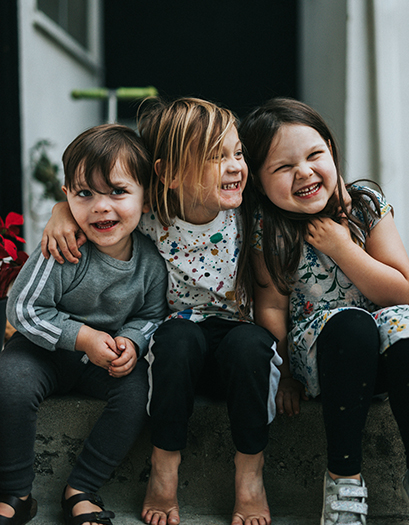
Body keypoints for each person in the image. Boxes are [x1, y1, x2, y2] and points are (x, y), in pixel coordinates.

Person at [40, 97, 282, 525]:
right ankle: (164, 472)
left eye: (237, 153)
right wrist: (62, 213)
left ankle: (250, 477)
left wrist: (290, 376)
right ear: (168, 175)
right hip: (175, 355)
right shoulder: (153, 216)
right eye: (215, 156)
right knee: (177, 336)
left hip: (238, 353)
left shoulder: (250, 216)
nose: (234, 166)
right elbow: (103, 207)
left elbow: (272, 302)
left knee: (251, 344)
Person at [237, 97, 409, 524]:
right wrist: (287, 378)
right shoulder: (266, 225)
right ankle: (344, 479)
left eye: (315, 155)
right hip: (325, 357)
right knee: (350, 325)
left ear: (331, 150)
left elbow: (402, 291)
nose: (305, 172)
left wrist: (341, 248)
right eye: (282, 167)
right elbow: (272, 307)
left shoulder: (365, 203)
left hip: (387, 348)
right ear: (258, 181)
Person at [0, 123, 169, 525]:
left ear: (146, 199)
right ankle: (16, 491)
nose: (100, 206)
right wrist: (84, 337)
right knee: (9, 381)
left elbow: (152, 315)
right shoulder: (62, 248)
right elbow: (22, 309)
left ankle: (82, 489)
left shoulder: (150, 261)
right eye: (84, 193)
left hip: (104, 358)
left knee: (137, 394)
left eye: (118, 192)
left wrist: (132, 341)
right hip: (41, 352)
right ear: (67, 198)